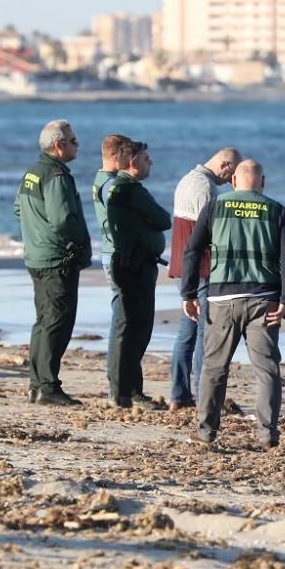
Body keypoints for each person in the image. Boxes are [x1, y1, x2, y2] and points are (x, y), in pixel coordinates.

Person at [181, 159, 285, 449]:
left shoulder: (216, 206)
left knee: (214, 368)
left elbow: (193, 249)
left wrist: (188, 292)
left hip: (222, 298)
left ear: (233, 180)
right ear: (263, 181)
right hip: (264, 299)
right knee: (267, 369)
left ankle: (206, 431)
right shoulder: (277, 210)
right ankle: (267, 433)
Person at [13, 119, 92, 406]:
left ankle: (38, 384)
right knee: (57, 322)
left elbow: (18, 210)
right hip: (56, 259)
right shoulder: (56, 175)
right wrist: (78, 243)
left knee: (44, 321)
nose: (77, 144)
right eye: (73, 141)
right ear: (58, 146)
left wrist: (37, 235)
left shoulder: (32, 173)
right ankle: (46, 385)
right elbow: (62, 219)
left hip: (36, 256)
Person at [167, 147, 243, 411]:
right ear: (225, 165)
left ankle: (179, 394)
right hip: (201, 269)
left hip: (182, 265)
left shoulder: (187, 180)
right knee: (204, 333)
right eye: (232, 174)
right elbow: (212, 233)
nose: (231, 180)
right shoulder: (206, 189)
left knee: (186, 333)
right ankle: (203, 395)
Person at [107, 139, 171, 408]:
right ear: (133, 164)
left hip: (132, 262)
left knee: (134, 328)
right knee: (135, 329)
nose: (150, 163)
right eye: (146, 159)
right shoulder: (131, 190)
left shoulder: (121, 189)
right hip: (134, 265)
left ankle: (126, 390)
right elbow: (163, 219)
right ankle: (127, 392)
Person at [91, 134, 129, 401]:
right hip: (115, 254)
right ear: (115, 156)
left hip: (110, 253)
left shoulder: (102, 180)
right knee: (122, 321)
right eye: (127, 154)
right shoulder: (112, 184)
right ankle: (117, 388)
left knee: (123, 319)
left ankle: (120, 386)